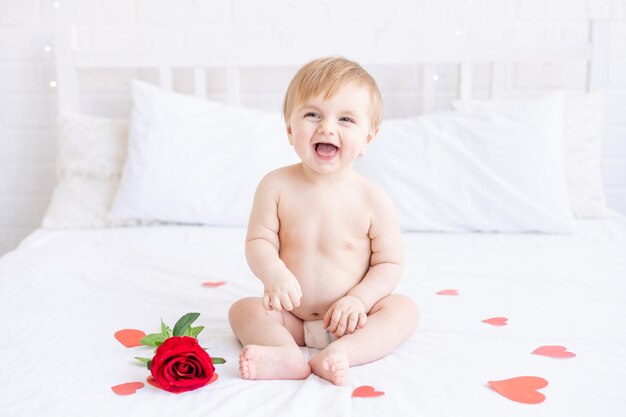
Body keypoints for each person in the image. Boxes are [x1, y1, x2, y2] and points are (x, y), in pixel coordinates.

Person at [228, 56, 419, 386]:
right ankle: (284, 352)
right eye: (312, 114)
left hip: (350, 320)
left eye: (345, 119)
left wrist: (359, 300)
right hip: (292, 319)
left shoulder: (374, 201)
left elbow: (389, 263)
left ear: (368, 139)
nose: (327, 127)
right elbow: (259, 241)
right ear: (290, 129)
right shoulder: (275, 186)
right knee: (243, 310)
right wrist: (274, 273)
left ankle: (343, 353)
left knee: (404, 310)